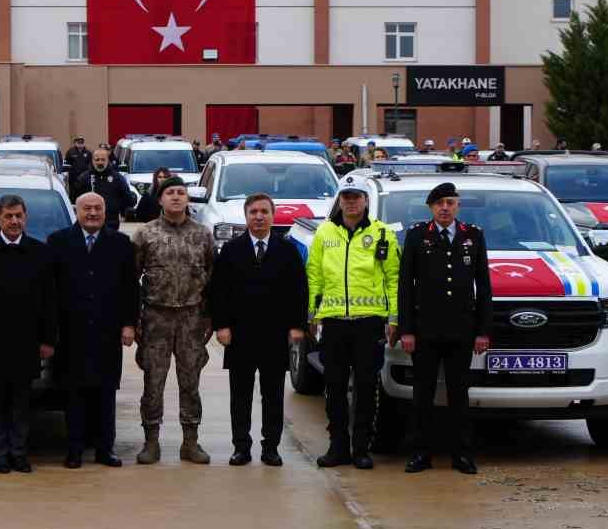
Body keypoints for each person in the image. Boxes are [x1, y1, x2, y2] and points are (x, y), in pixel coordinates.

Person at [396, 182, 492, 475]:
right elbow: (405, 287)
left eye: (450, 202)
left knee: (459, 395)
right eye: (440, 203)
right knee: (422, 395)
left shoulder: (472, 236)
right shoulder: (416, 236)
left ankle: (461, 455)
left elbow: (484, 287)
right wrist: (407, 330)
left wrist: (482, 331)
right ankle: (420, 454)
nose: (445, 208)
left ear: (457, 206)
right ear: (431, 207)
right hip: (425, 330)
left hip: (462, 331)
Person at [306, 176, 400, 468]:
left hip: (369, 324)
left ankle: (361, 448)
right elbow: (315, 276)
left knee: (365, 386)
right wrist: (312, 314)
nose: (351, 201)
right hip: (334, 324)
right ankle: (337, 447)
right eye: (346, 196)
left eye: (356, 196)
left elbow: (393, 279)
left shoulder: (382, 233)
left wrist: (394, 317)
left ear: (366, 200)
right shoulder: (324, 233)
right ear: (340, 199)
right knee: (333, 387)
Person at [210, 193, 308, 467]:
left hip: (274, 335)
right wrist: (222, 326)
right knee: (240, 394)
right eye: (253, 212)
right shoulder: (231, 250)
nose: (259, 217)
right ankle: (241, 446)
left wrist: (297, 326)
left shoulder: (286, 250)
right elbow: (219, 290)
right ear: (246, 216)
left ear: (273, 216)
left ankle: (271, 447)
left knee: (273, 394)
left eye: (264, 211)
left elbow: (299, 290)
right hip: (240, 334)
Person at [0, 194, 57, 474]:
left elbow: (50, 300)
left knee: (20, 402)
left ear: (25, 217)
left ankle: (18, 452)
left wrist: (48, 339)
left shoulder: (40, 252)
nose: (14, 221)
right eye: (8, 216)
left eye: (18, 216)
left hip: (27, 341)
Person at [48, 192, 137, 468]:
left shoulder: (120, 243)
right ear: (77, 211)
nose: (93, 213)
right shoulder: (58, 242)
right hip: (70, 332)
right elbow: (50, 291)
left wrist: (128, 324)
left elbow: (130, 288)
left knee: (105, 393)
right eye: (87, 208)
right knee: (73, 393)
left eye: (98, 208)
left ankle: (104, 450)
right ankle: (74, 449)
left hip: (107, 330)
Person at [132, 177, 216, 464]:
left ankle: (190, 442)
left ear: (188, 199)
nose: (177, 197)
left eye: (181, 192)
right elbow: (131, 279)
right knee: (153, 383)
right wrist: (135, 320)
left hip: (191, 319)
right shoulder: (145, 234)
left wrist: (209, 319)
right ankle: (151, 441)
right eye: (170, 193)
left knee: (190, 383)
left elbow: (212, 278)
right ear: (160, 199)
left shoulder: (203, 235)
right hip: (156, 317)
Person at [71, 149, 134, 229]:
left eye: (103, 159)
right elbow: (74, 198)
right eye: (97, 160)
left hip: (111, 223)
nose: (100, 162)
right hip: (89, 223)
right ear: (92, 161)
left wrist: (116, 207)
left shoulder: (117, 178)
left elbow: (128, 199)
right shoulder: (83, 178)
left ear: (108, 160)